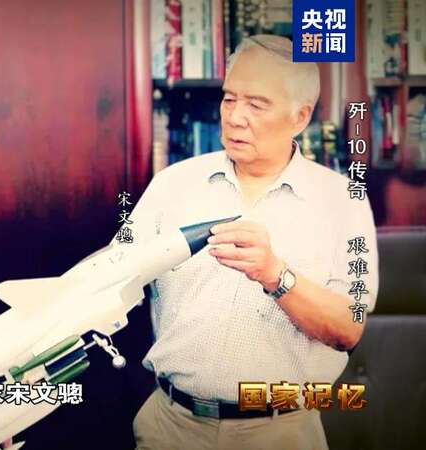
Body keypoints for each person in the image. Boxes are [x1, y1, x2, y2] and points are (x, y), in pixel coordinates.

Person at [127, 34, 378, 450]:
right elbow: (116, 275)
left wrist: (275, 275)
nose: (235, 117)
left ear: (300, 117)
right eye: (229, 99)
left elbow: (348, 328)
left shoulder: (343, 201)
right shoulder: (172, 184)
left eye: (256, 105)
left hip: (279, 430)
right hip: (170, 426)